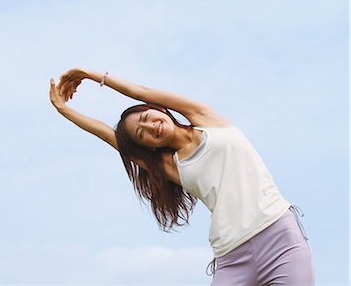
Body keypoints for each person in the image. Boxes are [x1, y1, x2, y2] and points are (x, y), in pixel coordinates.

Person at [48, 68, 315, 286]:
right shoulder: (171, 166)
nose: (149, 125)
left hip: (279, 237)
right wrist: (64, 110)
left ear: (159, 110)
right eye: (141, 134)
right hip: (232, 256)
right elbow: (109, 136)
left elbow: (141, 91)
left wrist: (92, 75)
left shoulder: (205, 118)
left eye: (144, 116)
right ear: (149, 147)